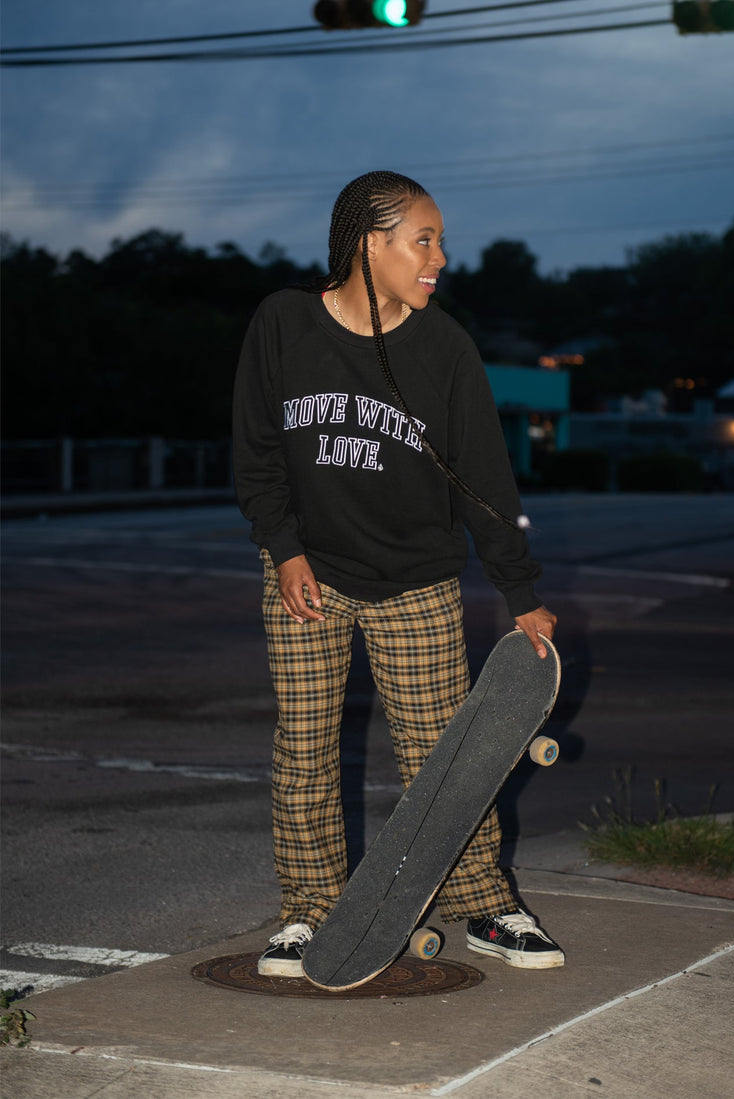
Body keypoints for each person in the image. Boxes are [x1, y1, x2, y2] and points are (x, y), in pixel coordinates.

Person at [232, 170, 564, 978]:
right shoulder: (283, 323)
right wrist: (284, 548)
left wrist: (519, 593)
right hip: (309, 574)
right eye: (423, 240)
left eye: (439, 242)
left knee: (446, 756)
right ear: (369, 244)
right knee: (305, 751)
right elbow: (257, 448)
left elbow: (483, 480)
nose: (439, 258)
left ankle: (482, 902)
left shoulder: (444, 348)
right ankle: (309, 911)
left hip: (416, 579)